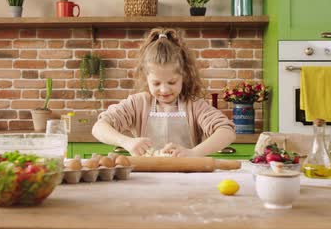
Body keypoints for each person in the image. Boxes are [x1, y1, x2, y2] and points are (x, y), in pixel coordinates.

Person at [92, 28, 235, 157]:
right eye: (156, 83)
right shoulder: (138, 103)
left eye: (172, 82)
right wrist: (126, 142)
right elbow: (99, 127)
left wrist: (193, 153)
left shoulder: (194, 105)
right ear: (146, 78)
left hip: (187, 179)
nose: (164, 90)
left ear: (184, 76)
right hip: (146, 180)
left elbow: (227, 131)